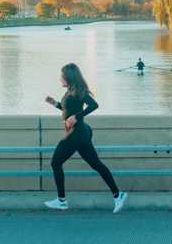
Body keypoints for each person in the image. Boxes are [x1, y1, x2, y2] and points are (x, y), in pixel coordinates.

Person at [43, 63, 127, 213]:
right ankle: (117, 195)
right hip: (82, 132)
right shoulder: (70, 91)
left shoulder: (77, 91)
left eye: (61, 75)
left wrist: (77, 117)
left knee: (55, 162)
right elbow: (68, 110)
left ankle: (61, 201)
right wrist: (55, 103)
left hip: (77, 133)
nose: (59, 78)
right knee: (96, 164)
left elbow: (94, 105)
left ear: (68, 76)